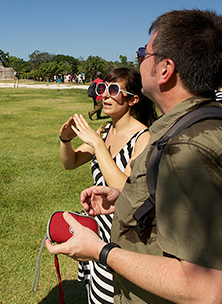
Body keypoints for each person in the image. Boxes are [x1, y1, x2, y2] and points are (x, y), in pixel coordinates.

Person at [47, 9, 222, 304]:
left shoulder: (191, 150)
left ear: (164, 70)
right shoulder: (181, 132)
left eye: (144, 53)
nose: (139, 60)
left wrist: (102, 251)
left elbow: (205, 290)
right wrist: (123, 196)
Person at [59, 68, 156, 304]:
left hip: (122, 234)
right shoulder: (104, 131)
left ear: (133, 99)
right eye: (103, 89)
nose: (104, 96)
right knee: (96, 294)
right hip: (98, 229)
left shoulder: (143, 137)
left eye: (114, 90)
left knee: (113, 295)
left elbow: (128, 190)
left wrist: (97, 144)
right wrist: (65, 139)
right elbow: (70, 163)